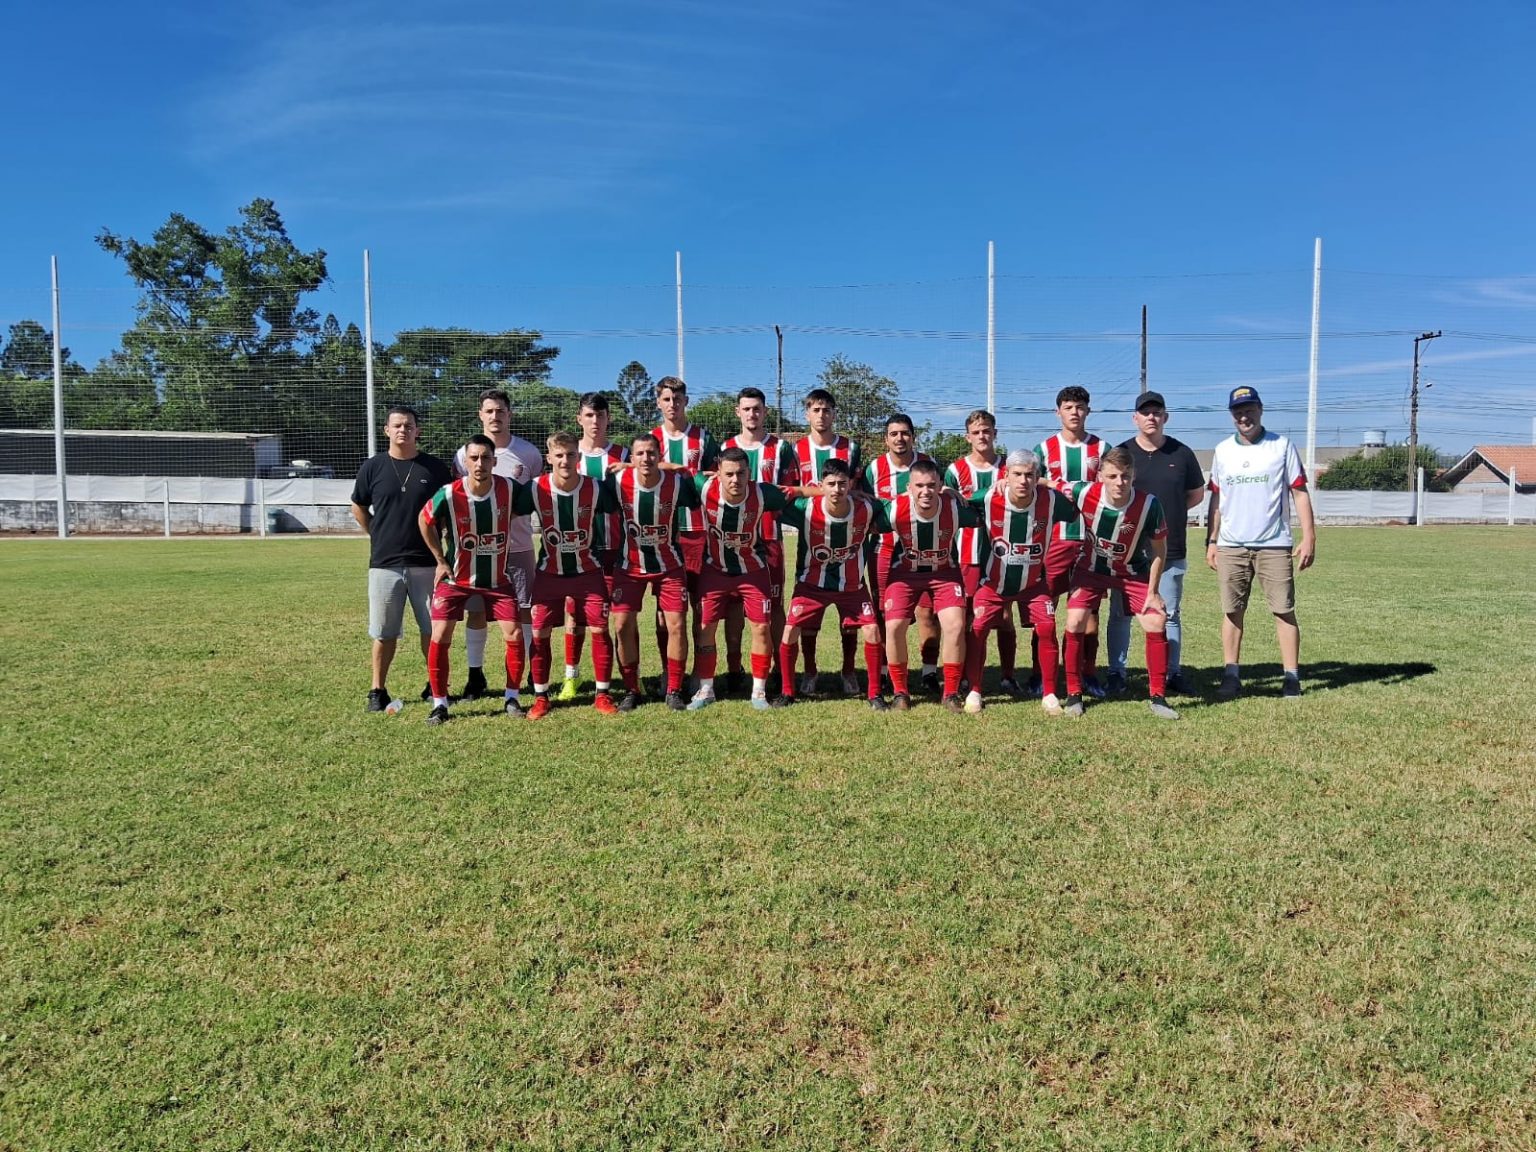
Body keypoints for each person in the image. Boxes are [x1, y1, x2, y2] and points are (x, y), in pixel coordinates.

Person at [1205, 385, 1317, 700]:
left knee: (1283, 610)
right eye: (1238, 411)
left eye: (1250, 409)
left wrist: (1309, 536)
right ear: (1232, 415)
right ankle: (1231, 675)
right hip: (1231, 545)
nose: (1244, 416)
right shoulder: (1222, 450)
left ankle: (1291, 677)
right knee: (1232, 611)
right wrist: (1211, 541)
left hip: (1274, 544)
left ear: (1260, 410)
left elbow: (1299, 493)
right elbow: (1217, 500)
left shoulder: (1281, 446)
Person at [686, 447, 811, 711]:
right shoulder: (704, 486)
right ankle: (706, 689)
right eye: (729, 474)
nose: (735, 479)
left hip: (753, 572)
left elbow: (797, 492)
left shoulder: (762, 493)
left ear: (749, 473)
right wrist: (629, 467)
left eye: (741, 473)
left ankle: (758, 691)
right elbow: (675, 471)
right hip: (715, 570)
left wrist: (836, 492)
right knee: (705, 627)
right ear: (718, 473)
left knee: (761, 628)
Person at [417, 435, 529, 725]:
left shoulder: (509, 488)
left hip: (497, 580)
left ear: (494, 461)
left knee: (514, 634)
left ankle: (512, 697)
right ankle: (440, 704)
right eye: (474, 458)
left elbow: (536, 500)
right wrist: (440, 560)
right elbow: (424, 520)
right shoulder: (449, 493)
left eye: (486, 458)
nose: (480, 463)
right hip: (455, 580)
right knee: (440, 635)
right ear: (465, 462)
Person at [350, 404, 454, 712]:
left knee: (433, 630)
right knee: (384, 632)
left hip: (427, 563)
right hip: (385, 564)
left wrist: (440, 547)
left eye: (408, 425)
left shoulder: (434, 468)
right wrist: (377, 532)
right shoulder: (373, 467)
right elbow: (358, 506)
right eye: (397, 425)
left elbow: (446, 512)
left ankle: (435, 686)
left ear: (417, 430)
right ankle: (377, 690)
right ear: (386, 430)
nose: (403, 430)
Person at [1061, 448, 1177, 720]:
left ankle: (1158, 697)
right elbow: (1047, 483)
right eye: (1112, 476)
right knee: (1075, 621)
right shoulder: (1083, 492)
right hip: (1091, 570)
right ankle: (1074, 694)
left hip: (1132, 572)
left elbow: (1160, 550)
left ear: (1134, 475)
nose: (1119, 482)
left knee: (1156, 620)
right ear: (1100, 475)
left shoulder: (1149, 504)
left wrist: (1153, 592)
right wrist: (1005, 482)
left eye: (1125, 476)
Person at [961, 451, 1079, 715]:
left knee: (1047, 626)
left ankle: (1049, 693)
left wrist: (1050, 483)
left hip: (1033, 584)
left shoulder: (1051, 500)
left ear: (1037, 477)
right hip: (993, 584)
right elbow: (956, 503)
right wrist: (946, 490)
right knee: (978, 628)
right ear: (1006, 475)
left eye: (1029, 475)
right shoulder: (987, 497)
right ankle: (975, 690)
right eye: (1017, 474)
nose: (1023, 480)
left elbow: (1077, 505)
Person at [1105, 392, 1206, 696]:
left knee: (1169, 613)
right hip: (1128, 551)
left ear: (1165, 417)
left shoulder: (1181, 453)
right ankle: (1116, 672)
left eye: (1156, 412)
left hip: (1170, 547)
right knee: (1120, 615)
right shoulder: (1122, 452)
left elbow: (1195, 495)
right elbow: (1109, 491)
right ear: (1135, 418)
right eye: (1145, 412)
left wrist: (1162, 516)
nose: (1151, 417)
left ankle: (1171, 673)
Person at [773, 458, 891, 710]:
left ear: (850, 485)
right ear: (821, 485)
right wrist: (799, 489)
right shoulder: (805, 508)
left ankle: (874, 694)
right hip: (811, 585)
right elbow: (770, 498)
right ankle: (788, 691)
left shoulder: (867, 507)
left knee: (872, 630)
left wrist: (946, 492)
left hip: (852, 586)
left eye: (842, 484)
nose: (837, 489)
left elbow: (898, 506)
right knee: (790, 631)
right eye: (831, 484)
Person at [519, 432, 621, 719]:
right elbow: (507, 510)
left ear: (579, 457)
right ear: (549, 458)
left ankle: (602, 694)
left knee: (599, 629)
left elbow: (620, 506)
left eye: (571, 455)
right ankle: (541, 697)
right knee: (540, 633)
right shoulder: (534, 487)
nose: (565, 460)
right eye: (559, 455)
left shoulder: (595, 488)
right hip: (548, 573)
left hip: (588, 572)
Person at [452, 389, 543, 699]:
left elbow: (536, 497)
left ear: (509, 414)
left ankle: (530, 672)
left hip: (518, 547)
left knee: (525, 609)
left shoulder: (529, 453)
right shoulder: (464, 454)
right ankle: (475, 675)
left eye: (500, 410)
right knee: (476, 612)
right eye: (489, 411)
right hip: (477, 552)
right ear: (480, 414)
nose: (495, 416)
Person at [608, 431, 702, 711]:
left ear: (660, 456)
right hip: (629, 566)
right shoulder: (617, 482)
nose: (646, 458)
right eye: (639, 453)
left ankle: (673, 689)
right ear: (631, 458)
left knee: (676, 624)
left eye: (651, 453)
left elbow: (696, 494)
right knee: (622, 624)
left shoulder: (676, 483)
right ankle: (631, 690)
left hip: (669, 565)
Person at [721, 387, 797, 695]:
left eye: (757, 409)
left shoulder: (781, 448)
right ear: (737, 412)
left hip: (769, 538)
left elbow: (790, 492)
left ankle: (778, 669)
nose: (752, 414)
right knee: (733, 607)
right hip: (732, 541)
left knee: (774, 606)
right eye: (746, 409)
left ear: (765, 412)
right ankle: (734, 668)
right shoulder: (726, 447)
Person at [880, 459, 970, 712]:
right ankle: (900, 692)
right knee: (894, 626)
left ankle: (950, 693)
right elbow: (862, 515)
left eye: (931, 485)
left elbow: (986, 505)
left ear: (940, 486)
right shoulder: (894, 509)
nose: (925, 491)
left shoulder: (954, 507)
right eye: (919, 486)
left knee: (955, 625)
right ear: (909, 487)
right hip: (905, 574)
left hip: (944, 573)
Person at [1034, 386, 1106, 699]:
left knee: (1090, 613)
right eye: (1068, 407)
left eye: (1079, 406)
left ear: (1088, 410)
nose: (1074, 412)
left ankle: (1086, 673)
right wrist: (1052, 483)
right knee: (1045, 610)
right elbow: (1027, 478)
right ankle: (1041, 674)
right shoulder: (1044, 448)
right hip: (1054, 540)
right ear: (1058, 412)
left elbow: (1111, 486)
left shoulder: (1102, 448)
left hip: (1091, 540)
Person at [791, 388, 864, 696]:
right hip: (812, 537)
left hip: (847, 537)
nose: (821, 415)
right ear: (807, 414)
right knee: (809, 614)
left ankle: (849, 671)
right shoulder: (795, 449)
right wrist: (818, 494)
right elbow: (792, 490)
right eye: (815, 410)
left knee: (851, 616)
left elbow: (856, 489)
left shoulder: (851, 447)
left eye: (827, 410)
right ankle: (810, 671)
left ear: (834, 413)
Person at [944, 408, 1021, 695]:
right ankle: (968, 676)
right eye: (976, 432)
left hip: (1003, 553)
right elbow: (948, 505)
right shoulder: (955, 470)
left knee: (1004, 616)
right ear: (967, 437)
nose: (982, 436)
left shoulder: (1008, 468)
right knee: (968, 617)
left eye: (986, 431)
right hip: (968, 553)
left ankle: (1008, 676)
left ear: (995, 433)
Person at [557, 391, 628, 701]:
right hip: (580, 552)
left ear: (608, 418)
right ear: (579, 419)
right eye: (589, 415)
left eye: (600, 415)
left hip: (618, 550)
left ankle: (628, 679)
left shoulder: (623, 455)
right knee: (575, 617)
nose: (595, 421)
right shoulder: (570, 456)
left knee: (621, 618)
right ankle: (570, 678)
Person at [864, 413, 941, 693]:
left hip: (924, 549)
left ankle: (929, 672)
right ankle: (886, 672)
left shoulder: (927, 463)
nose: (900, 438)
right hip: (885, 549)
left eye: (905, 433)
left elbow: (943, 496)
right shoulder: (874, 469)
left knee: (927, 611)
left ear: (913, 437)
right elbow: (865, 505)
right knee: (886, 613)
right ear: (886, 439)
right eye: (894, 434)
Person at [650, 376, 718, 685]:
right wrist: (672, 468)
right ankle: (669, 671)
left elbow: (716, 478)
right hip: (661, 535)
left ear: (686, 401)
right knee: (664, 613)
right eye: (666, 399)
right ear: (658, 403)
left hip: (698, 532)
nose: (672, 404)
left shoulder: (704, 438)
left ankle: (698, 674)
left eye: (677, 399)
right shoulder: (651, 439)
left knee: (700, 608)